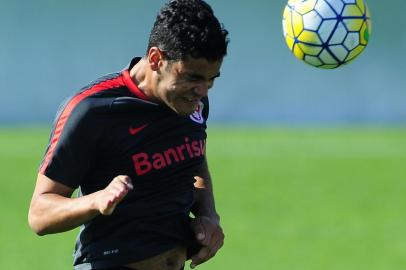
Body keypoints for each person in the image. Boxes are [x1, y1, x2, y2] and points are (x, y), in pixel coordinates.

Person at [28, 0, 229, 269]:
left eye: (212, 79)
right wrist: (96, 201)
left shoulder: (193, 103)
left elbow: (194, 159)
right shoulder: (92, 111)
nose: (203, 91)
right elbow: (39, 214)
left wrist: (208, 215)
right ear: (157, 59)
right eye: (193, 77)